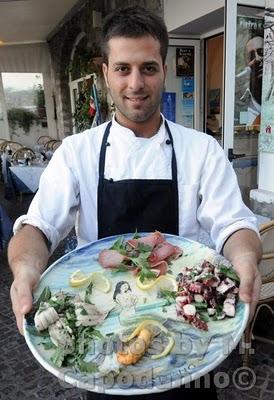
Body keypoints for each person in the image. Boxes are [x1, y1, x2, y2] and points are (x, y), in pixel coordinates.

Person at [8, 5, 262, 399]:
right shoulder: (78, 152)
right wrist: (24, 272)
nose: (136, 83)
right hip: (106, 334)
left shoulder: (202, 150)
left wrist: (246, 260)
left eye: (148, 68)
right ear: (105, 72)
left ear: (163, 69)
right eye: (123, 68)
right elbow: (38, 227)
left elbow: (233, 224)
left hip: (188, 331)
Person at [237, 35, 264, 126]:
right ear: (246, 63)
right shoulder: (237, 107)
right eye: (251, 56)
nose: (257, 59)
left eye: (262, 52)